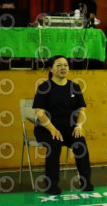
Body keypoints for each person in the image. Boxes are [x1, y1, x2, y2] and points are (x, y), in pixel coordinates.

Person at [33, 55, 93, 194]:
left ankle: (86, 183)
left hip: (69, 129)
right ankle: (51, 186)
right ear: (50, 69)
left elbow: (82, 109)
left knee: (80, 142)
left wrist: (78, 126)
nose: (63, 68)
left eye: (65, 65)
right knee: (55, 143)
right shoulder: (44, 87)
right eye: (58, 65)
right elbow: (39, 112)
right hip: (46, 129)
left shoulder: (74, 87)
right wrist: (52, 129)